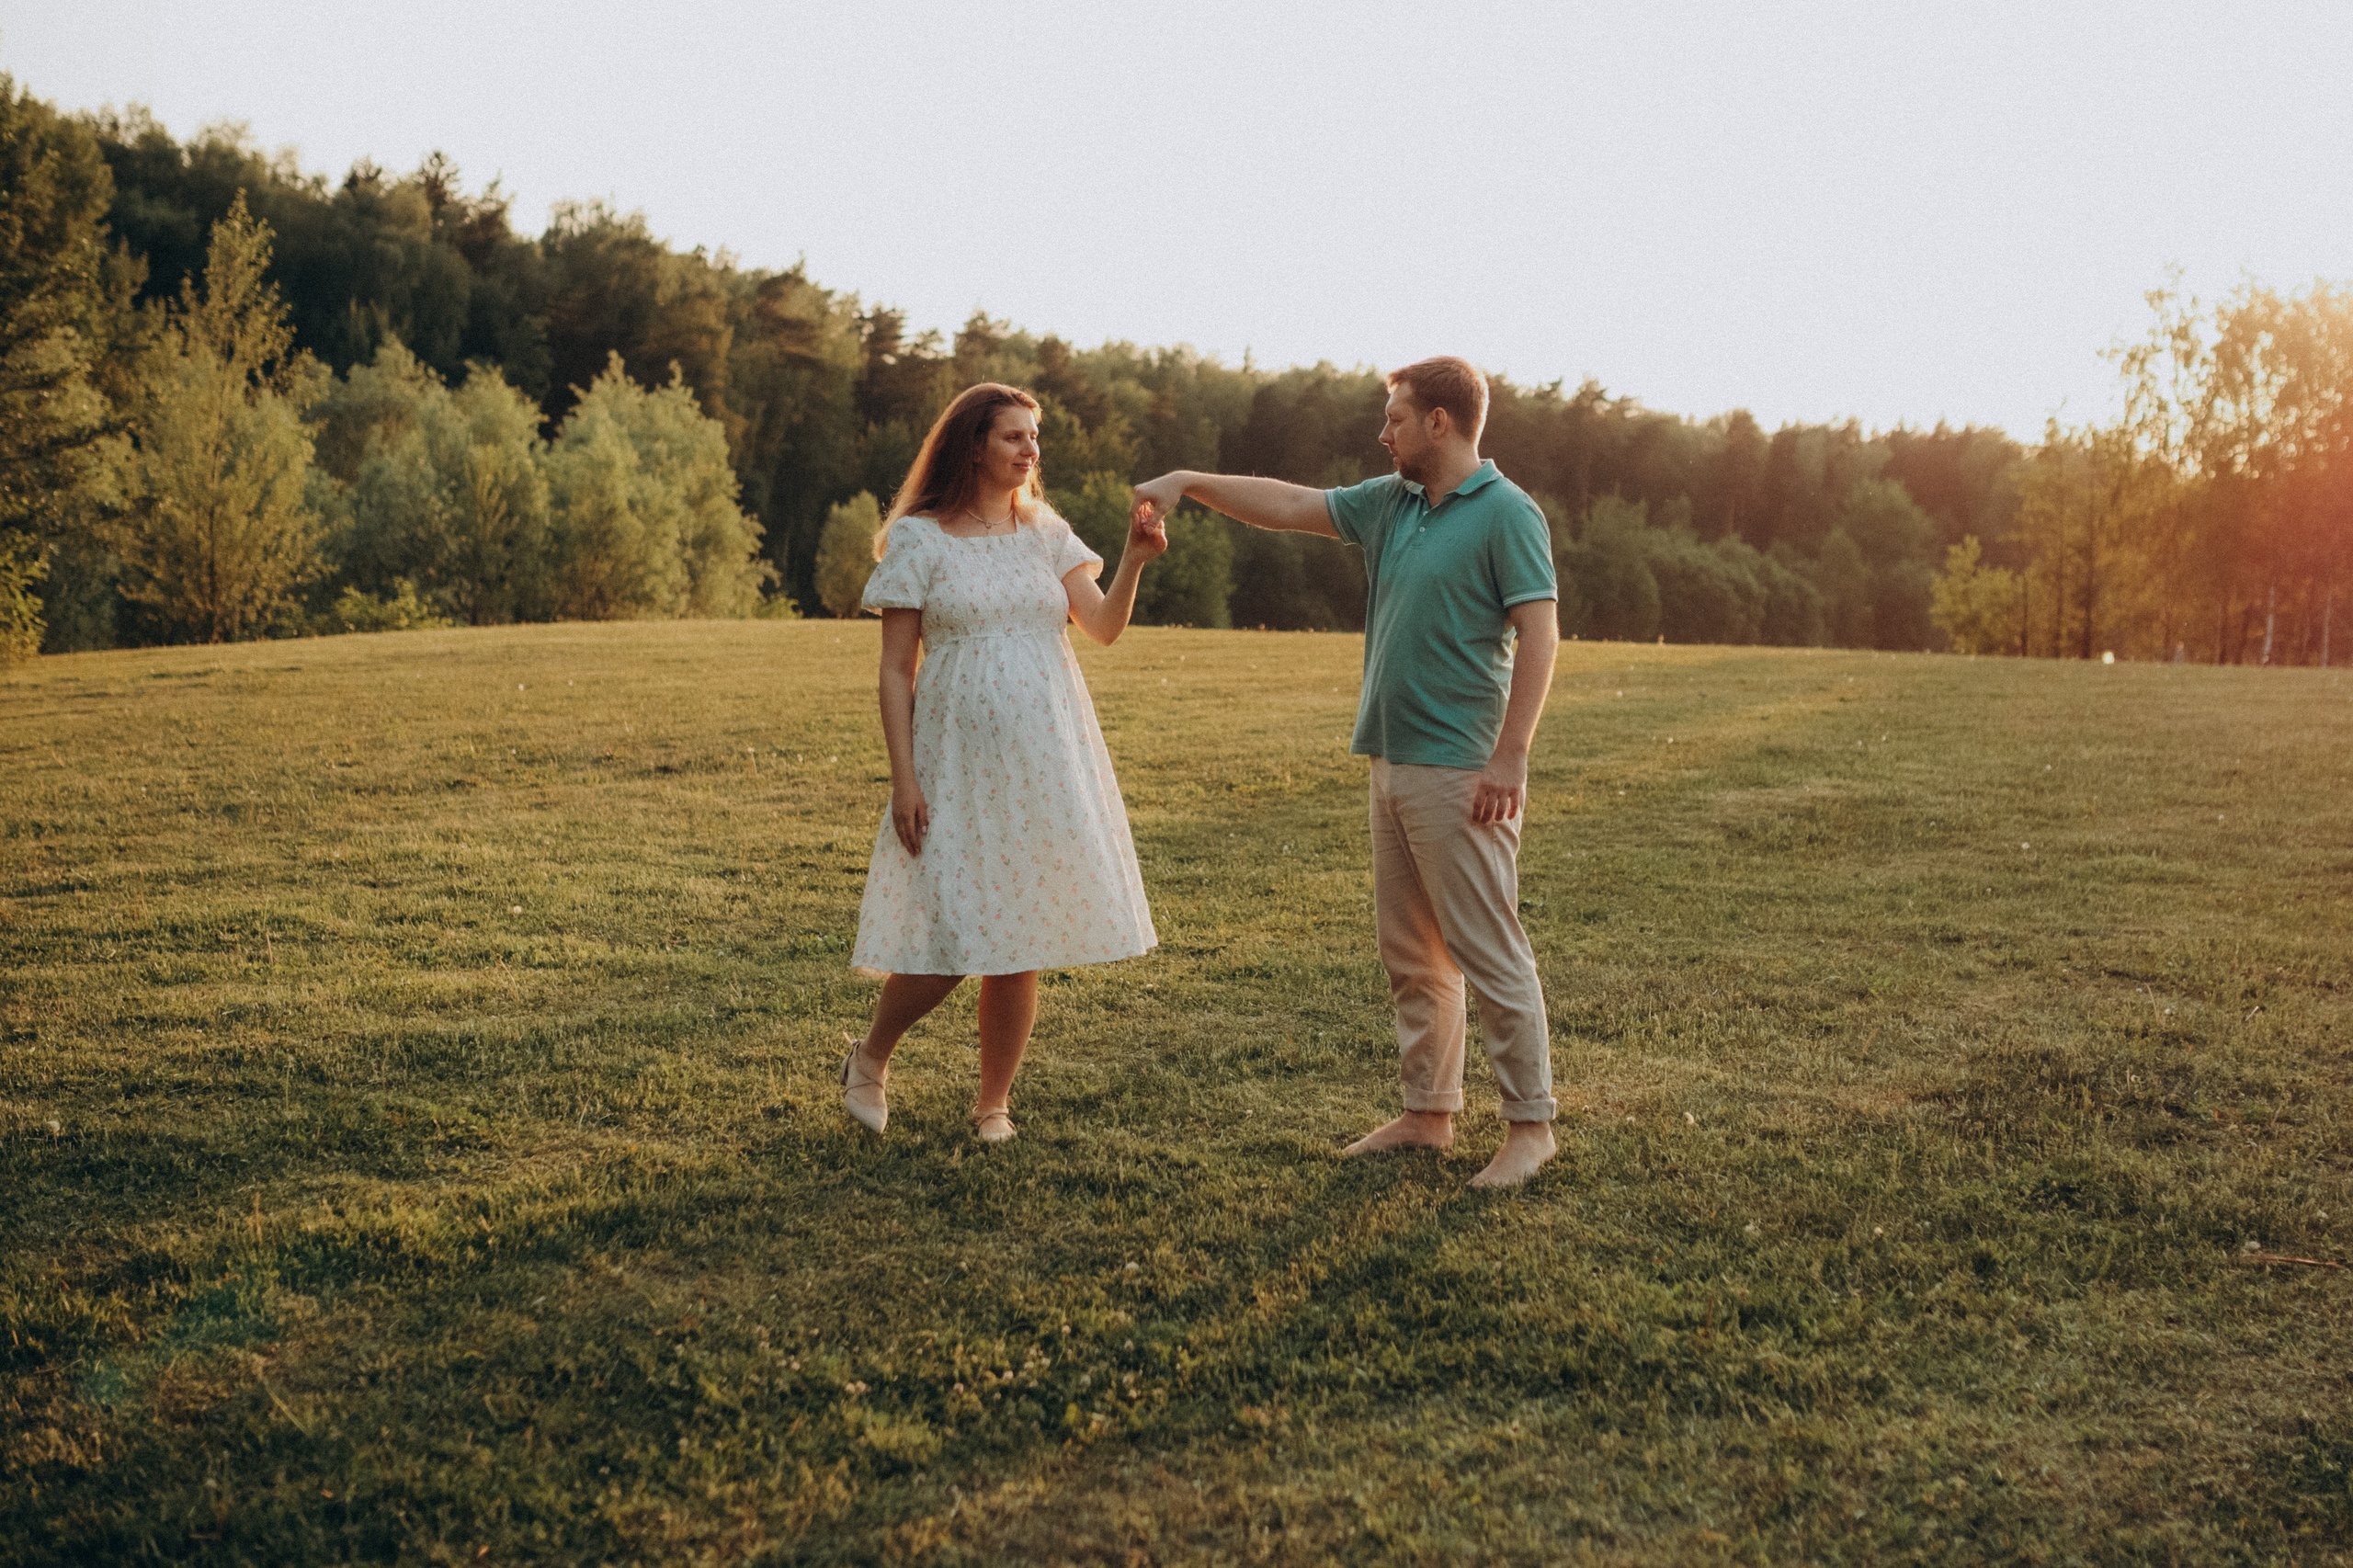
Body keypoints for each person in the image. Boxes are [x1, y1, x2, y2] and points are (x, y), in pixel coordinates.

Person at [1131, 358, 1562, 1187]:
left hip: (1464, 768)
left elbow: (1539, 635)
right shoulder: (1391, 503)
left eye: (1396, 417)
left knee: (1486, 947)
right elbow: (1288, 503)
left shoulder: (1509, 514)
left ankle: (1530, 1127)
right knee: (1412, 953)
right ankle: (1429, 1113)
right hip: (1392, 761)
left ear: (1439, 421)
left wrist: (1511, 756)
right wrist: (1189, 480)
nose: (1384, 431)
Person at [839, 383, 1165, 1143]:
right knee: (955, 928)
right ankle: (871, 1056)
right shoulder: (920, 540)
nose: (1031, 450)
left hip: (1045, 757)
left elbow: (1103, 627)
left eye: (1034, 438)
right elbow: (896, 670)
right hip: (952, 763)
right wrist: (904, 779)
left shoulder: (1043, 531)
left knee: (1021, 936)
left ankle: (994, 1105)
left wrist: (1137, 561)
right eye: (1014, 437)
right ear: (973, 445)